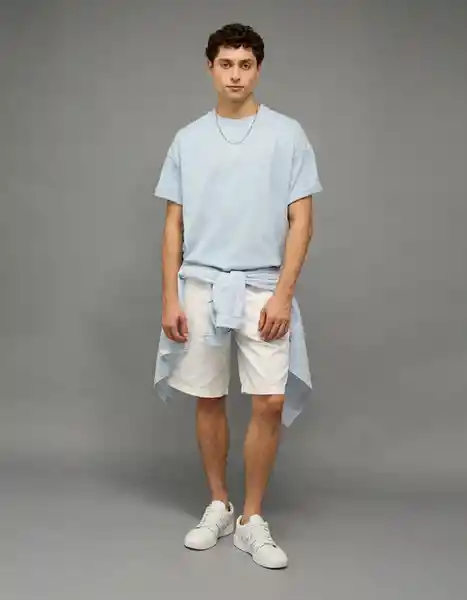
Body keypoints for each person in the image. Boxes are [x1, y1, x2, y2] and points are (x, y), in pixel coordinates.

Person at [153, 23, 323, 570]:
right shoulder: (188, 139)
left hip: (262, 285)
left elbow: (301, 221)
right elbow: (173, 224)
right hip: (201, 283)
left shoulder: (287, 135)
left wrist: (283, 294)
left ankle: (252, 519)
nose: (235, 75)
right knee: (208, 396)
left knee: (269, 398)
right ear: (210, 68)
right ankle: (218, 505)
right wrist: (170, 296)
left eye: (245, 65)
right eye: (225, 64)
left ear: (258, 69)